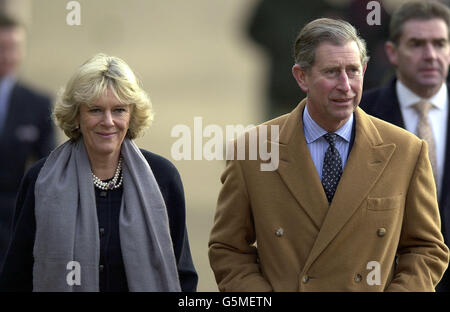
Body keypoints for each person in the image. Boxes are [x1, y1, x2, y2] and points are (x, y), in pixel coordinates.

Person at [209, 18, 449, 291]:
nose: (345, 85)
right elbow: (228, 249)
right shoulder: (251, 151)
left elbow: (426, 249)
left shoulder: (407, 151)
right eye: (332, 72)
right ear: (302, 76)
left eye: (353, 71)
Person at [0, 53, 198, 292]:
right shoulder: (40, 178)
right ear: (77, 115)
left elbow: (183, 275)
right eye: (95, 110)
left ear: (132, 115)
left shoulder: (163, 178)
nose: (108, 121)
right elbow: (16, 277)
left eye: (119, 110)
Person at [359, 0, 450, 291]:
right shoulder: (360, 115)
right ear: (392, 53)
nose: (430, 56)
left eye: (439, 43)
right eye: (417, 44)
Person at [0, 14, 55, 269]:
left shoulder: (38, 104)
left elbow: (50, 171)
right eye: (2, 48)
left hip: (13, 226)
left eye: (14, 48)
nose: (8, 56)